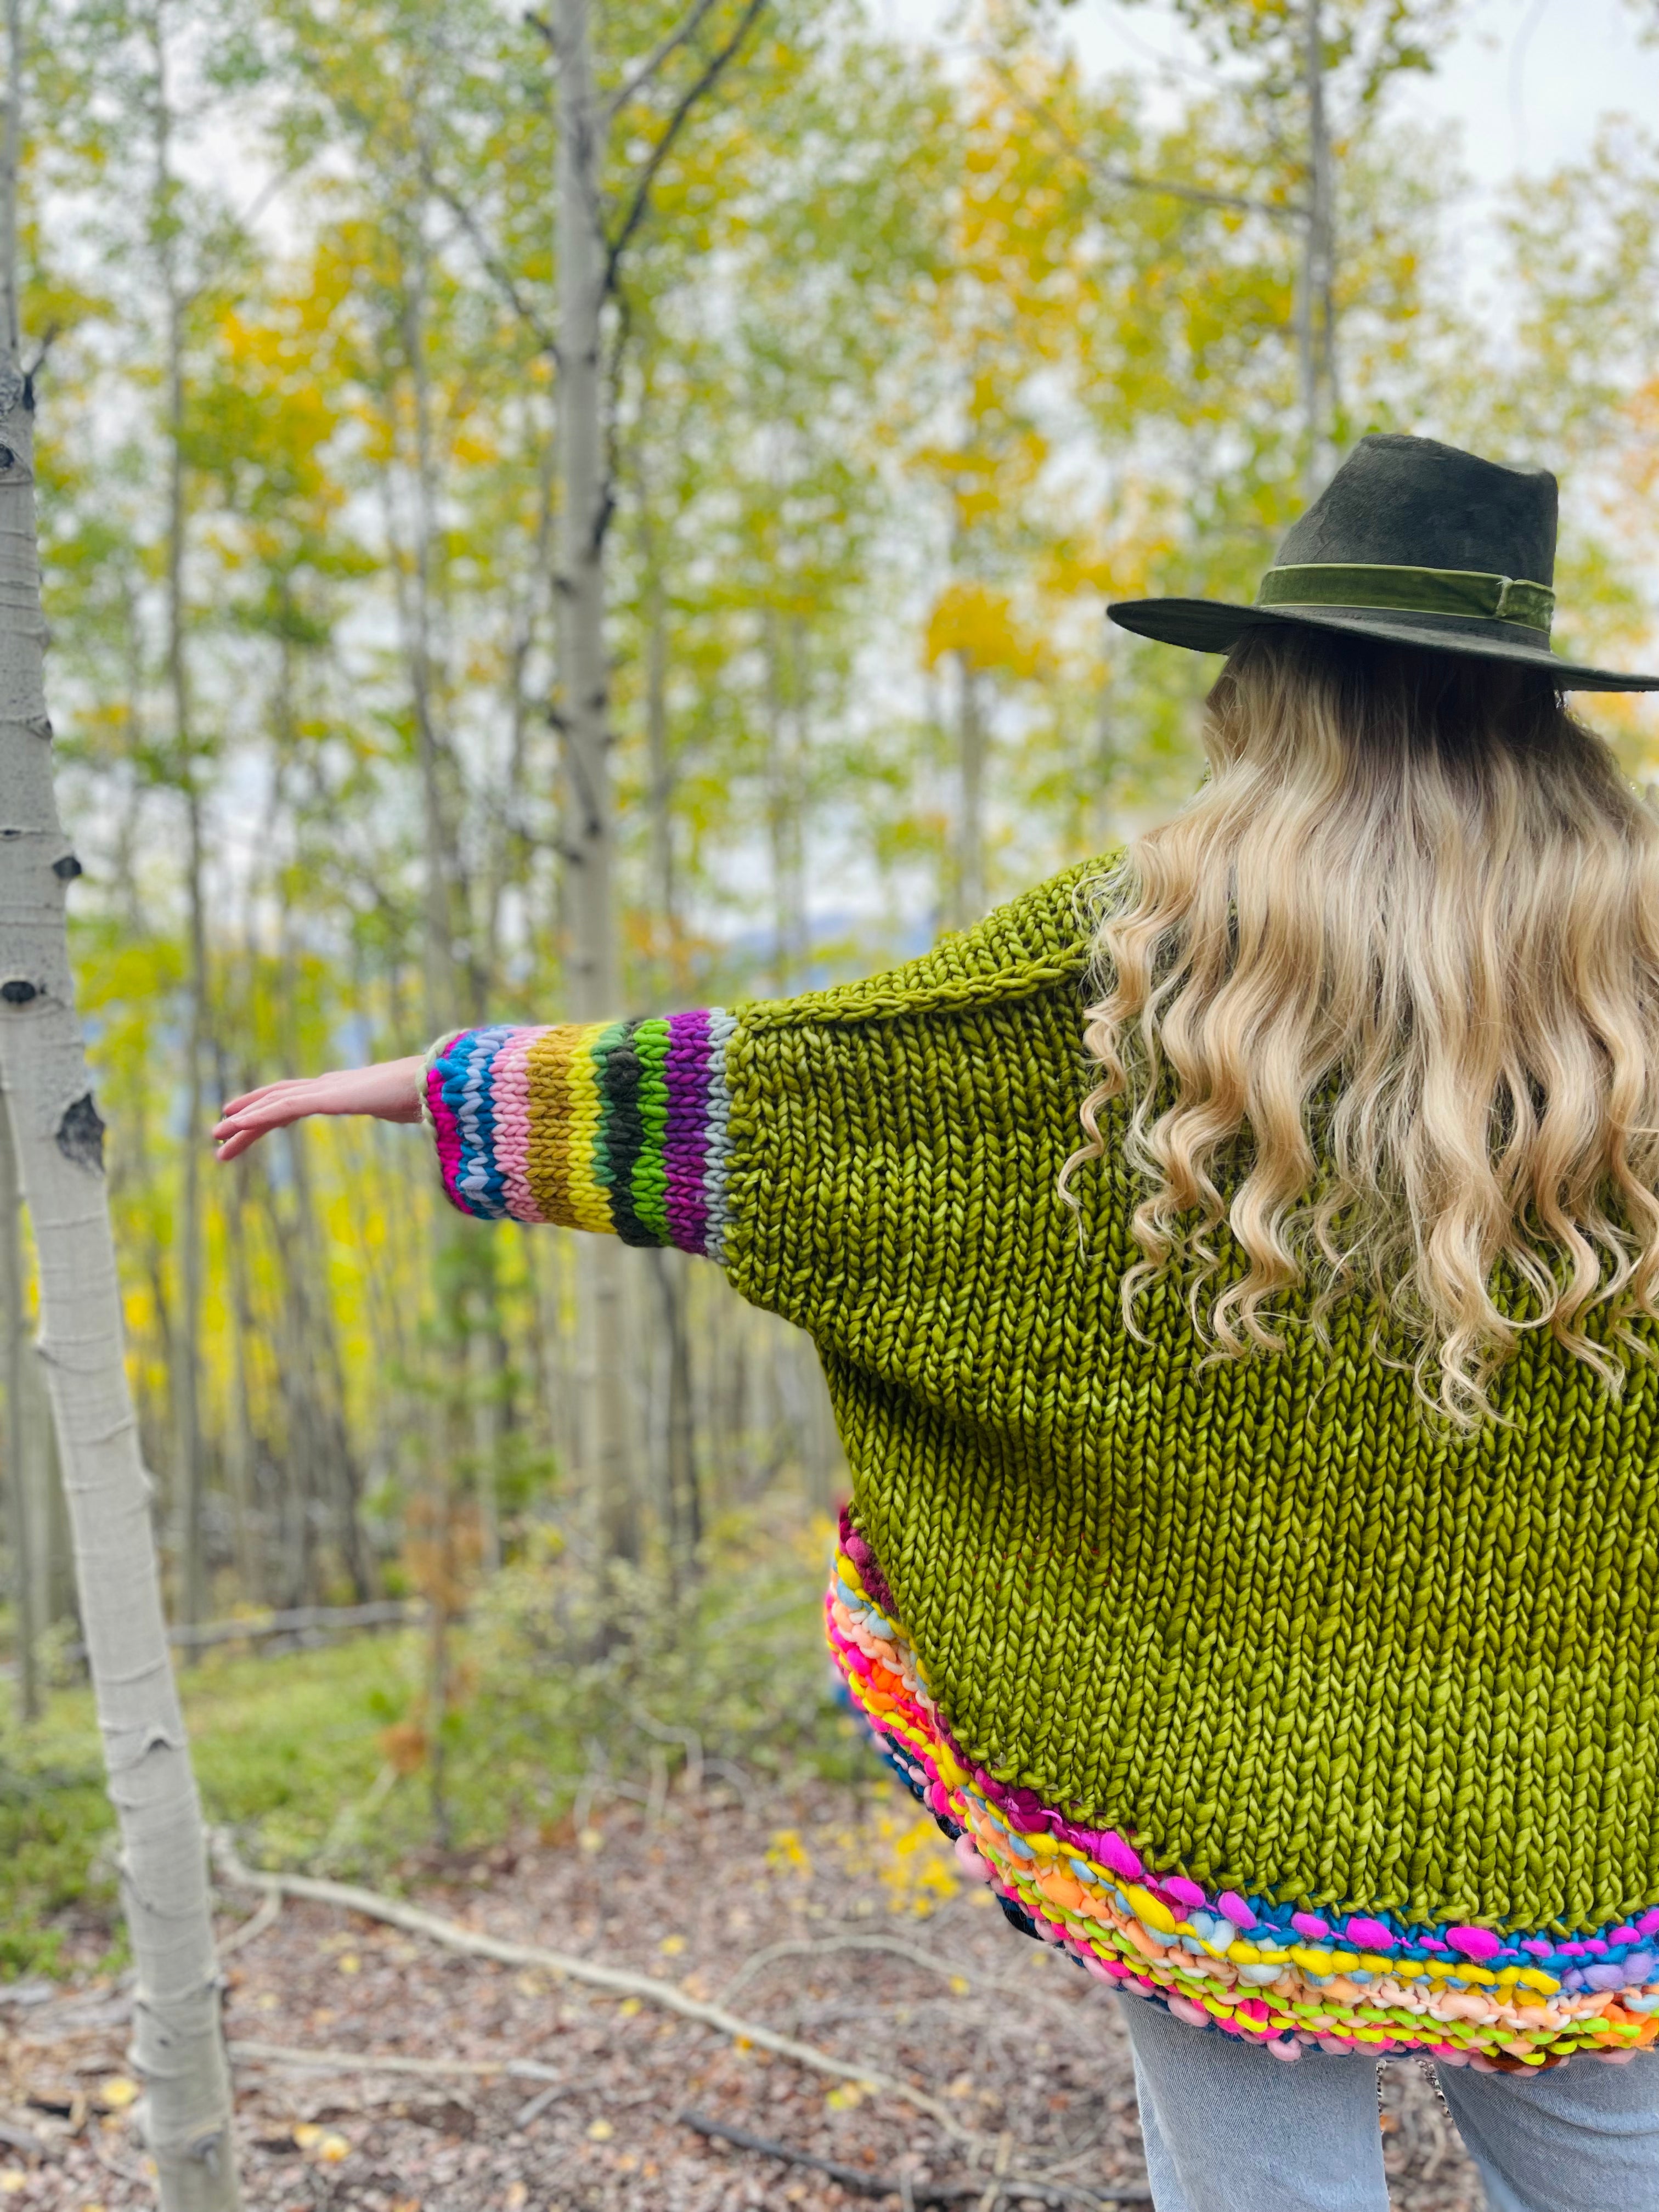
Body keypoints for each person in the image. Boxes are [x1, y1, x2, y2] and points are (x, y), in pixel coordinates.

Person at [214, 435, 1659, 2210]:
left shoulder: (1140, 959)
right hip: (1590, 1785)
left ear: (1275, 686)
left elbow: (789, 1106)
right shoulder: (1640, 983)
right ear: (1541, 711)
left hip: (1209, 1757)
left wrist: (417, 1089)